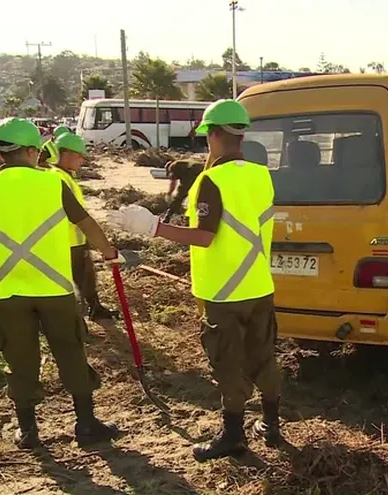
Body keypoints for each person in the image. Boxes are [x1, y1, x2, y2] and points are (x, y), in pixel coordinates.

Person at [106, 99, 282, 462]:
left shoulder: (211, 180)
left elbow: (204, 236)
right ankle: (271, 426)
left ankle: (233, 436)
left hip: (224, 291)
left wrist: (153, 226)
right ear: (241, 134)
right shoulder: (261, 174)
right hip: (259, 285)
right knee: (263, 355)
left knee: (227, 362)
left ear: (213, 134)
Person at [0, 118, 122, 449]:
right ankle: (87, 425)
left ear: (2, 152)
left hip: (7, 291)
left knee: (20, 358)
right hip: (54, 289)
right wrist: (108, 252)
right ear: (32, 151)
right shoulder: (51, 185)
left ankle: (28, 431)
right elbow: (85, 222)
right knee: (70, 351)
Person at [50, 132, 116, 319]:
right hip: (68, 242)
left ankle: (94, 308)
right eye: (79, 155)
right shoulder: (58, 178)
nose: (82, 160)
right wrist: (105, 247)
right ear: (66, 154)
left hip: (74, 240)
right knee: (76, 282)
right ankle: (79, 317)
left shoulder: (65, 176)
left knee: (86, 277)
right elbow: (79, 217)